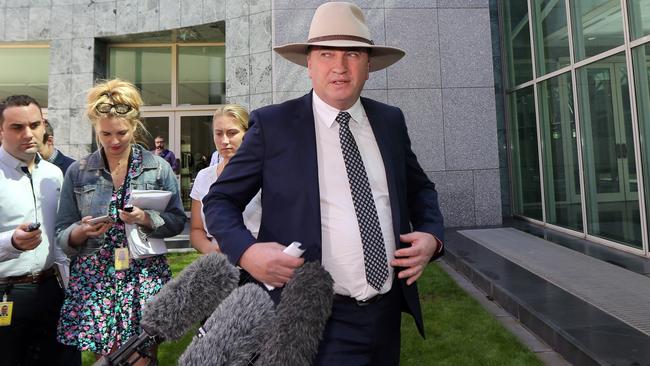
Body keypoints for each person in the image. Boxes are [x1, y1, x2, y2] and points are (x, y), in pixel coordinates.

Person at [202, 2, 445, 365]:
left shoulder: (390, 121)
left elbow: (419, 189)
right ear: (309, 65)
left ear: (369, 66)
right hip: (311, 318)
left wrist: (432, 236)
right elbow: (219, 200)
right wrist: (247, 253)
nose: (340, 67)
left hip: (386, 315)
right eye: (326, 53)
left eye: (352, 54)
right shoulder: (274, 126)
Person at [55, 79, 186, 364]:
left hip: (143, 275)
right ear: (95, 130)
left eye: (122, 133)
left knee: (142, 355)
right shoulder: (78, 173)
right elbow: (62, 235)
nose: (114, 141)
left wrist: (147, 218)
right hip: (97, 278)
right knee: (111, 357)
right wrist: (81, 231)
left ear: (135, 126)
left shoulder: (157, 167)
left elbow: (176, 221)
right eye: (106, 134)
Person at [0, 95, 70, 365]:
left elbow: (60, 237)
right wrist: (12, 242)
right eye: (17, 127)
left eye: (35, 124)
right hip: (7, 295)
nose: (29, 134)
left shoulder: (54, 174)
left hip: (53, 290)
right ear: (1, 130)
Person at [190, 104, 261, 255]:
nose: (224, 141)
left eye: (232, 133)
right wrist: (209, 249)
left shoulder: (266, 174)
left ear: (247, 134)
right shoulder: (203, 177)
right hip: (219, 268)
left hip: (260, 264)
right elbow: (196, 230)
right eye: (219, 133)